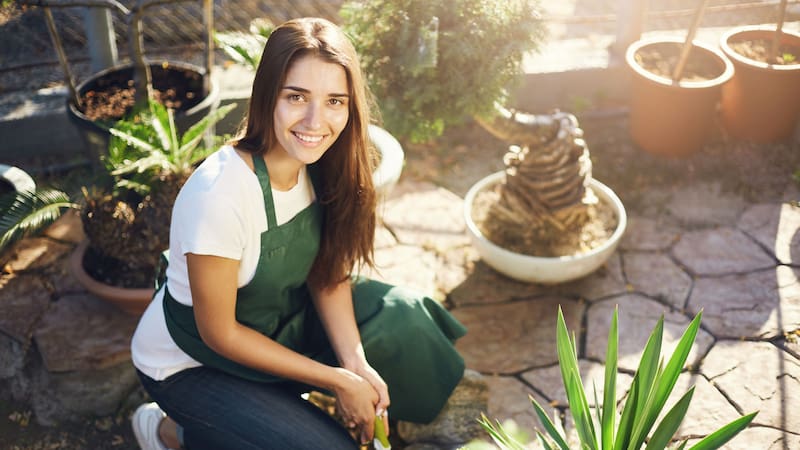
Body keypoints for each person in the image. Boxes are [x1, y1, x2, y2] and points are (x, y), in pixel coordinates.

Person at [129, 17, 467, 450]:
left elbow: (327, 273)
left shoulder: (325, 164)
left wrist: (355, 364)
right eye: (296, 97)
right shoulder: (219, 196)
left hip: (276, 321)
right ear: (268, 94)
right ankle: (171, 432)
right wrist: (335, 380)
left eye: (334, 101)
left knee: (404, 316)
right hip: (192, 362)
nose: (316, 120)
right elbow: (220, 334)